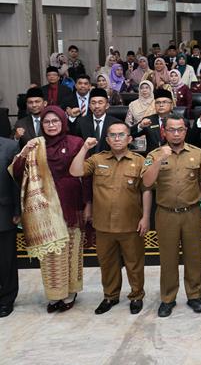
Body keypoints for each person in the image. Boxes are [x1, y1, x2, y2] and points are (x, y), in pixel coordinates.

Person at [11, 106, 88, 313]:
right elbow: (18, 173)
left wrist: (88, 204)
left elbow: (86, 173)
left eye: (55, 121)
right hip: (44, 206)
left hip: (71, 203)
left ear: (63, 121)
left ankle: (71, 292)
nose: (51, 125)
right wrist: (24, 153)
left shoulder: (75, 142)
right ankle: (55, 295)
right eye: (47, 121)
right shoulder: (36, 145)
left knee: (71, 249)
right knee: (50, 252)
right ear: (41, 124)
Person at [69, 122, 150, 315]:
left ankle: (136, 295)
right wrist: (84, 148)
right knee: (107, 264)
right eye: (112, 135)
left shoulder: (140, 161)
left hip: (131, 224)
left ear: (129, 139)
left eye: (121, 135)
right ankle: (110, 296)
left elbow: (146, 190)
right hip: (103, 224)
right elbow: (75, 171)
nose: (117, 138)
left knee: (134, 264)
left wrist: (146, 217)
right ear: (107, 139)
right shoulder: (97, 159)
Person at [140, 114, 201, 317]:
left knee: (195, 257)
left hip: (192, 213)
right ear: (164, 131)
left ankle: (195, 295)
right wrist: (159, 161)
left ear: (186, 131)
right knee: (168, 259)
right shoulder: (154, 154)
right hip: (166, 214)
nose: (176, 133)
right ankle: (168, 298)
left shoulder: (197, 153)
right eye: (171, 130)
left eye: (180, 129)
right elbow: (146, 183)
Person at [0, 136, 19, 318]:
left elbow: (16, 181)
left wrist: (17, 210)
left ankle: (7, 299)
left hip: (3, 212)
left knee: (6, 260)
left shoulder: (10, 146)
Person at [71, 88, 120, 154]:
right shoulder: (81, 122)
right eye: (93, 103)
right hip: (87, 158)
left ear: (107, 106)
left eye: (100, 103)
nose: (96, 106)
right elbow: (75, 143)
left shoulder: (115, 123)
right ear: (89, 106)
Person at [131, 89, 175, 153]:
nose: (161, 105)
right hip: (153, 156)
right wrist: (140, 126)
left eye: (164, 102)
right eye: (158, 102)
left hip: (174, 156)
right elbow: (129, 134)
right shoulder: (148, 120)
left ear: (171, 104)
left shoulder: (179, 121)